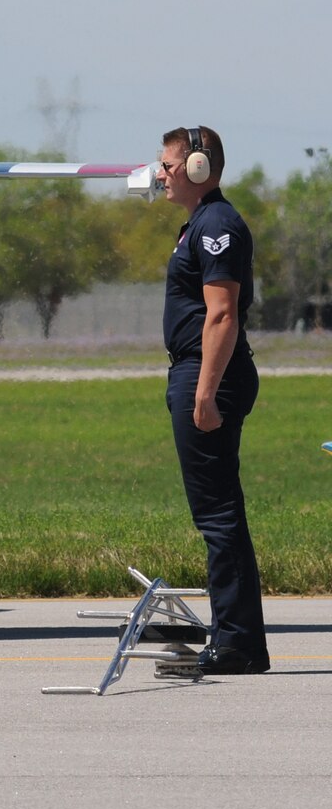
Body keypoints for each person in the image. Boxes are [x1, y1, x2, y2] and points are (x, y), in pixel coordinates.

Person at [156, 124, 267, 676]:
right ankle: (235, 638)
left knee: (219, 514)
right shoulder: (200, 224)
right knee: (218, 513)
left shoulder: (216, 224)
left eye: (169, 166)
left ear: (199, 169)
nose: (161, 175)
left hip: (210, 375)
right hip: (202, 372)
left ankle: (238, 645)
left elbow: (222, 314)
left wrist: (202, 392)